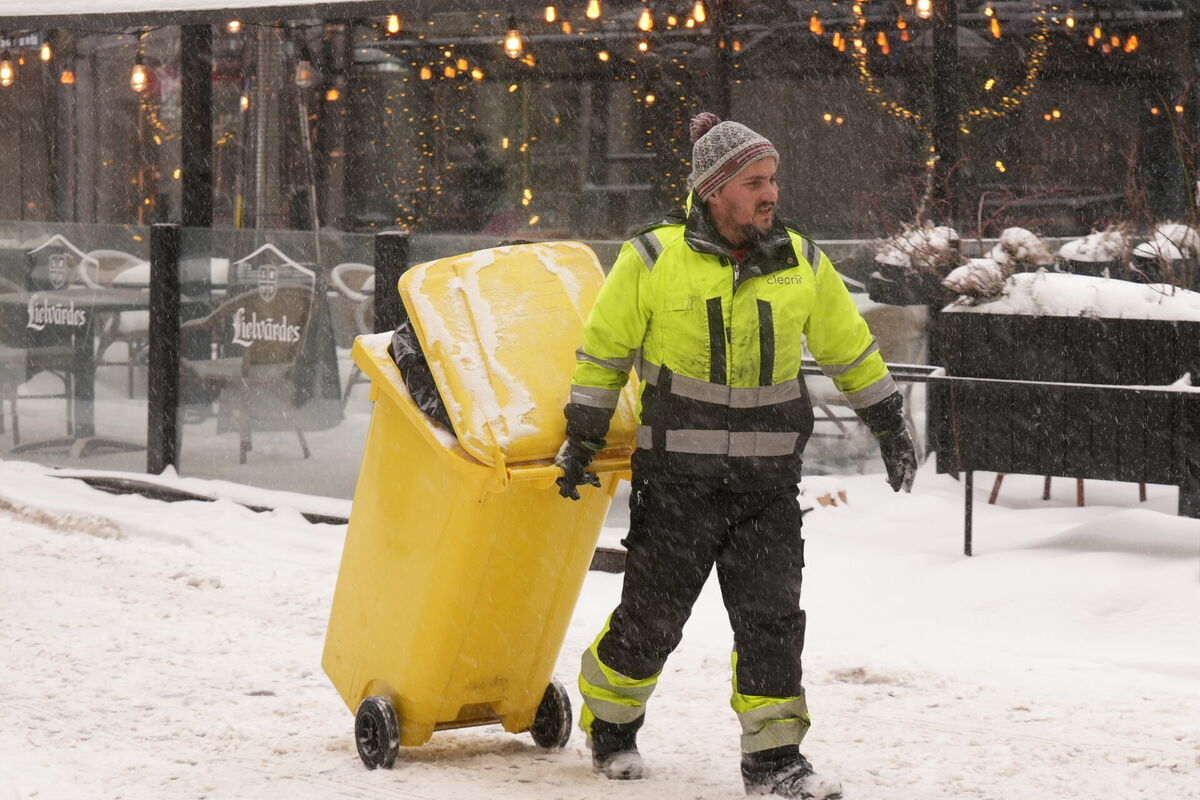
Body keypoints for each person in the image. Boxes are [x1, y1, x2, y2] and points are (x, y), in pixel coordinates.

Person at [554, 112, 917, 799]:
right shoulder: (653, 260)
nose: (770, 192)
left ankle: (775, 761)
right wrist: (583, 437)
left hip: (767, 488)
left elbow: (848, 348)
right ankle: (610, 720)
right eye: (754, 181)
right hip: (677, 484)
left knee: (772, 623)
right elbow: (602, 356)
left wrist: (889, 421)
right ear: (714, 190)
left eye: (773, 178)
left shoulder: (802, 262)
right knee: (651, 623)